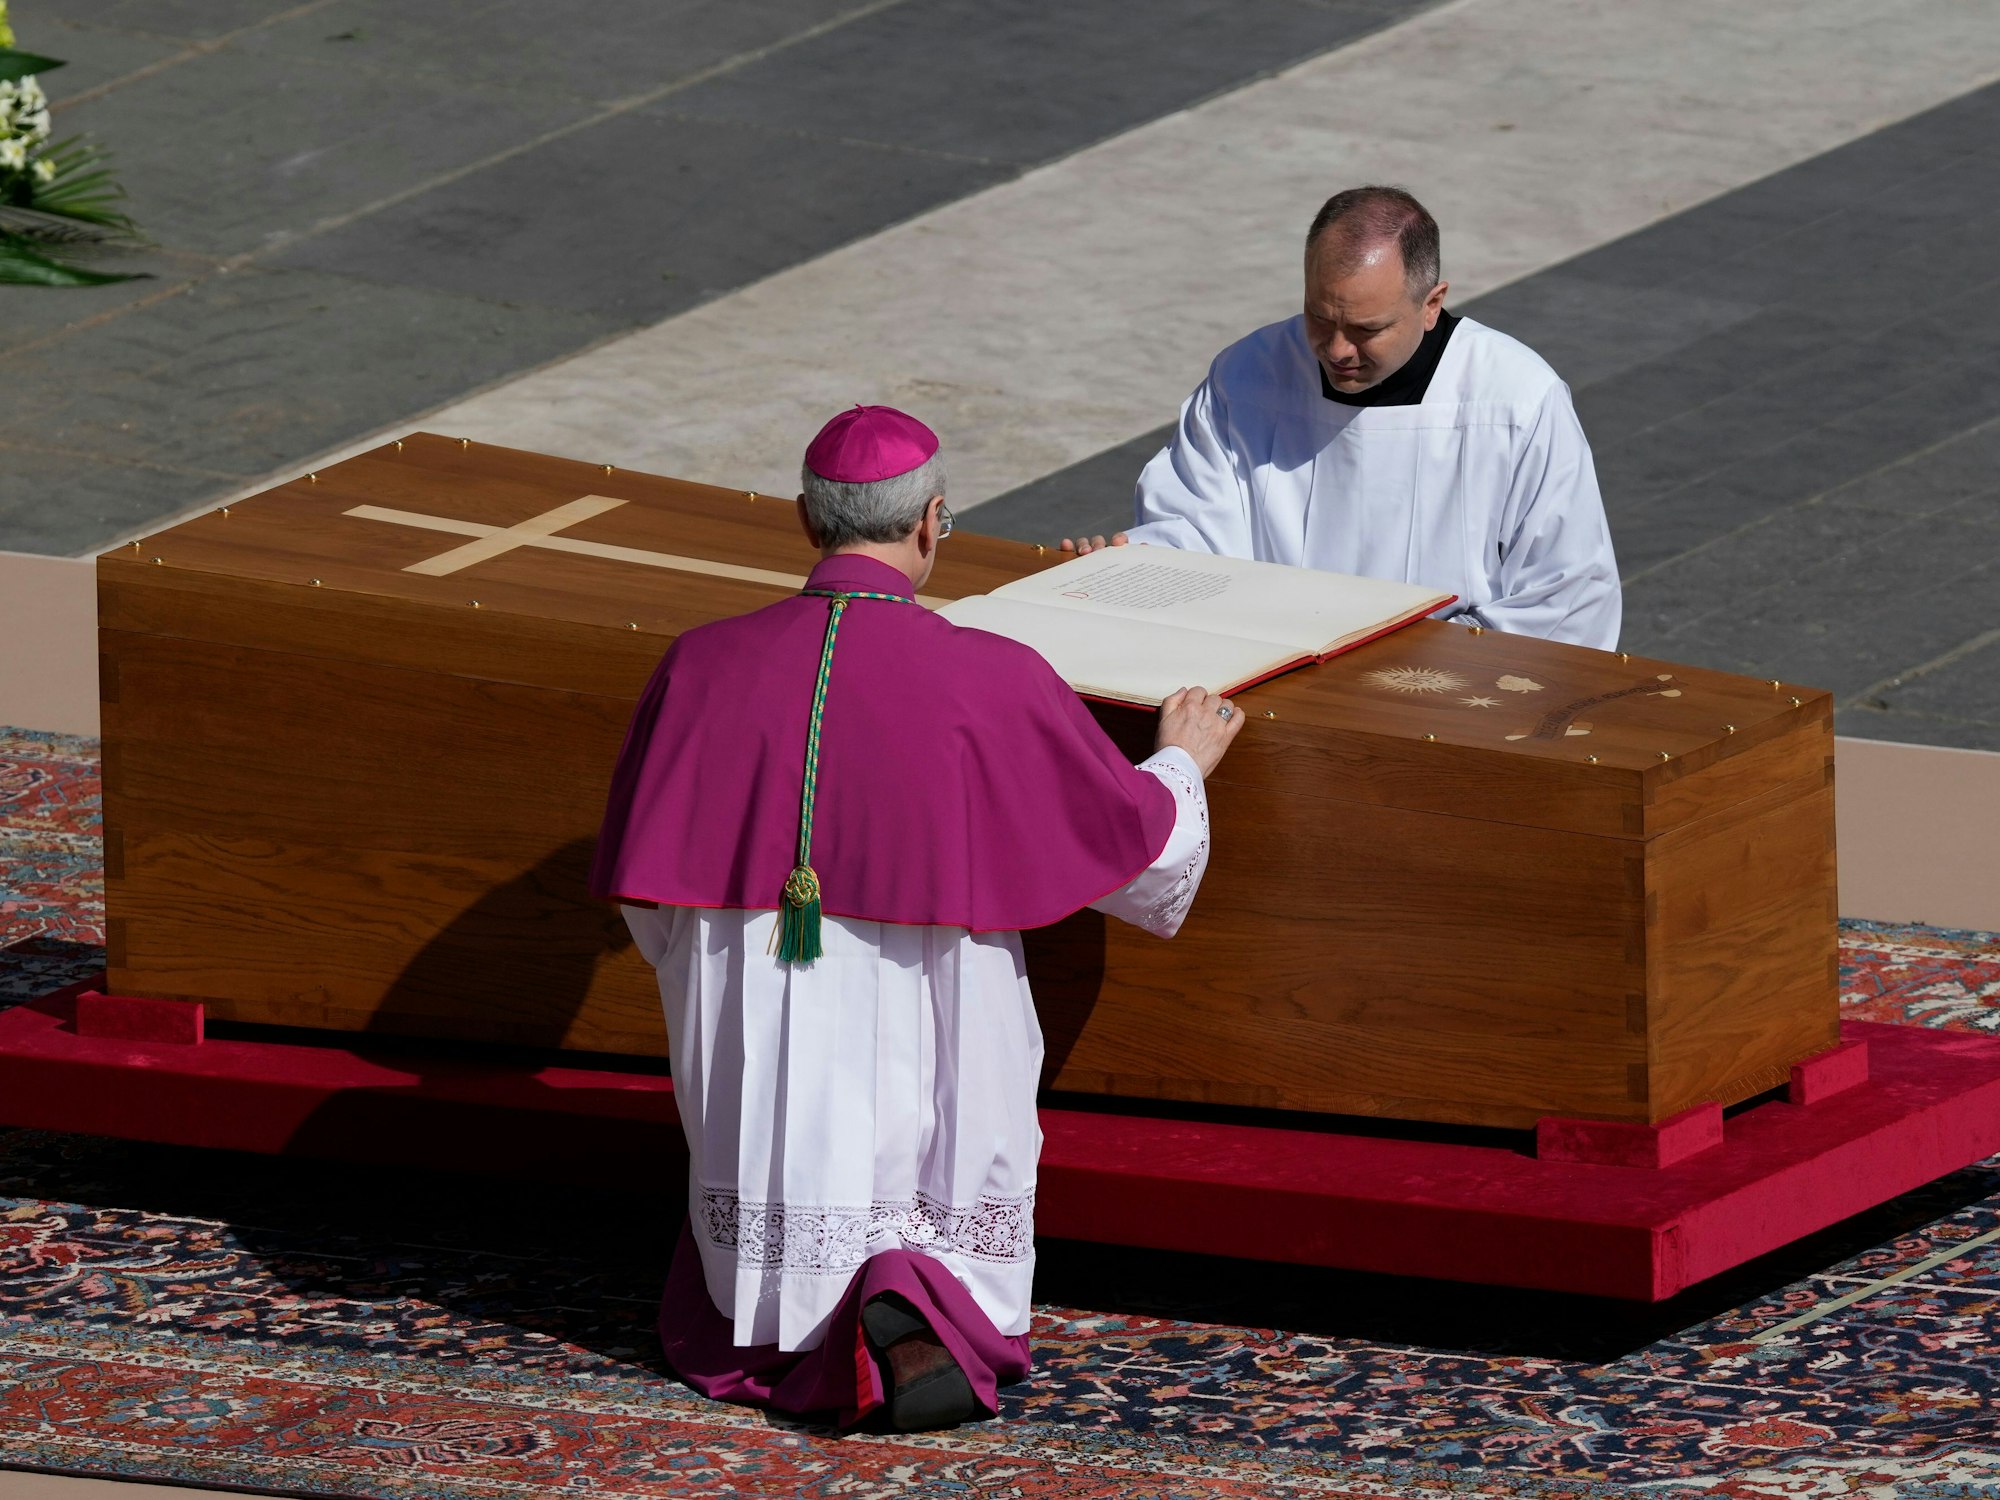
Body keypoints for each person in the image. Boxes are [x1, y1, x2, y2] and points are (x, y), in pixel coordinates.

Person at [591, 405, 1242, 1431]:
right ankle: (915, 1304)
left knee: (783, 1126)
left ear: (807, 519)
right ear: (933, 521)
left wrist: (717, 964)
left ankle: (783, 1318)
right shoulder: (993, 676)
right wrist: (1177, 763)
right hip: (927, 990)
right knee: (927, 1123)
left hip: (757, 992)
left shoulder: (699, 664)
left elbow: (643, 892)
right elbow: (1126, 840)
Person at [1065, 185, 1621, 650]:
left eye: (1366, 329)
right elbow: (1195, 531)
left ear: (1431, 304)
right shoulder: (1247, 376)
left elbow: (1563, 595)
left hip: (1445, 697)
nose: (1336, 350)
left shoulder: (1516, 400)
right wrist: (1130, 568)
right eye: (1318, 317)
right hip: (1270, 675)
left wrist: (1404, 672)